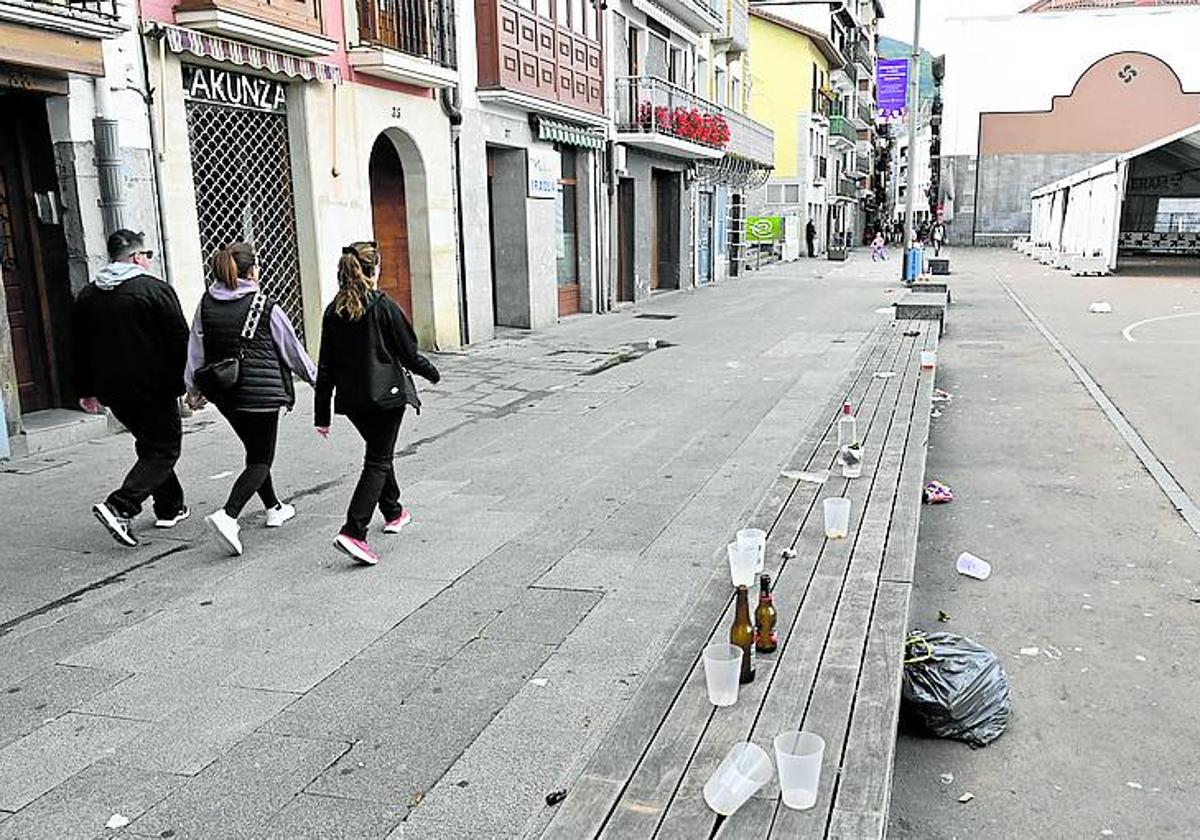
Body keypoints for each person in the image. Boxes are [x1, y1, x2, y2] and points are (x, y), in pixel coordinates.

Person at [184, 243, 317, 556]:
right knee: (261, 458)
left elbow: (195, 348)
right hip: (261, 395)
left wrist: (192, 388)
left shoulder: (206, 303)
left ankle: (274, 507)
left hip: (225, 395)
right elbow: (293, 350)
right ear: (251, 271)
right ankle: (228, 515)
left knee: (254, 451)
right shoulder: (263, 305)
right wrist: (318, 381)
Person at [314, 241, 441, 565]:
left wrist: (322, 414)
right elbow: (408, 353)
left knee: (378, 454)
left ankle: (394, 512)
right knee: (377, 460)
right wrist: (432, 373)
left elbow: (325, 366)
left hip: (353, 402)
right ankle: (353, 531)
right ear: (373, 270)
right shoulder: (384, 306)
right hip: (386, 398)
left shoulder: (333, 311)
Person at [73, 230, 190, 547]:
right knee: (165, 448)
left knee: (151, 444)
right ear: (138, 257)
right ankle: (121, 505)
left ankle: (170, 506)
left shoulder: (87, 296)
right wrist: (189, 383)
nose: (149, 259)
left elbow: (78, 348)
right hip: (154, 386)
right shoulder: (155, 290)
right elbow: (180, 340)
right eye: (147, 254)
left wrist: (86, 389)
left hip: (114, 389)